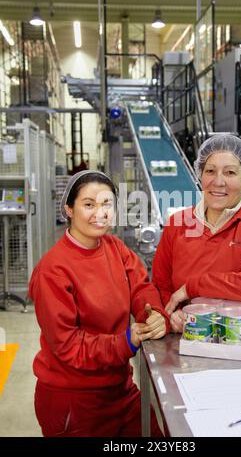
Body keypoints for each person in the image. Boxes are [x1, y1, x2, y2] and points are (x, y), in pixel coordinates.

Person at [29, 170, 169, 437]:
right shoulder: (53, 271)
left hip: (119, 388)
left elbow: (141, 287)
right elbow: (67, 346)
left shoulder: (114, 248)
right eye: (89, 204)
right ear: (69, 209)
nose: (100, 213)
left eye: (107, 204)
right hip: (74, 401)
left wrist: (152, 314)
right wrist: (124, 342)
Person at [152, 134, 241, 332]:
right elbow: (160, 286)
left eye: (230, 173)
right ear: (200, 174)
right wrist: (172, 313)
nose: (218, 181)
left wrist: (193, 288)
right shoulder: (178, 223)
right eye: (210, 171)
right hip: (190, 340)